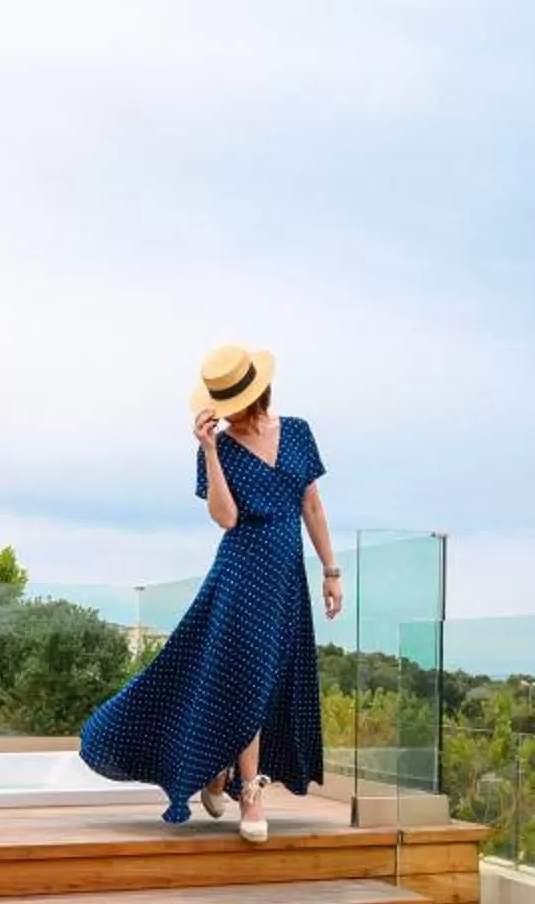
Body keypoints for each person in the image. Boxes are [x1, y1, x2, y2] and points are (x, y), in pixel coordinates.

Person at [80, 343, 344, 839]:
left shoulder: (299, 431)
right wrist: (207, 449)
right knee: (247, 674)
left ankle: (218, 769)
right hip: (241, 573)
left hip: (286, 577)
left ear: (258, 390)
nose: (230, 412)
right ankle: (251, 792)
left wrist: (331, 571)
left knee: (267, 676)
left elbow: (312, 506)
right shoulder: (219, 446)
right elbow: (226, 518)